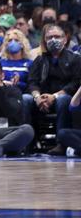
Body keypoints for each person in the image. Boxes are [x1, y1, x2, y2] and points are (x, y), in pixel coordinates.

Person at [27, 24, 80, 155]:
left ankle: (61, 144)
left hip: (62, 98)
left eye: (57, 37)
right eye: (50, 37)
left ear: (65, 39)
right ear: (45, 40)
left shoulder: (75, 59)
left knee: (63, 100)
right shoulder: (40, 59)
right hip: (41, 98)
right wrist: (37, 97)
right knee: (25, 99)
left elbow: (75, 83)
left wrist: (54, 96)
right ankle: (28, 143)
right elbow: (32, 82)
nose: (53, 40)